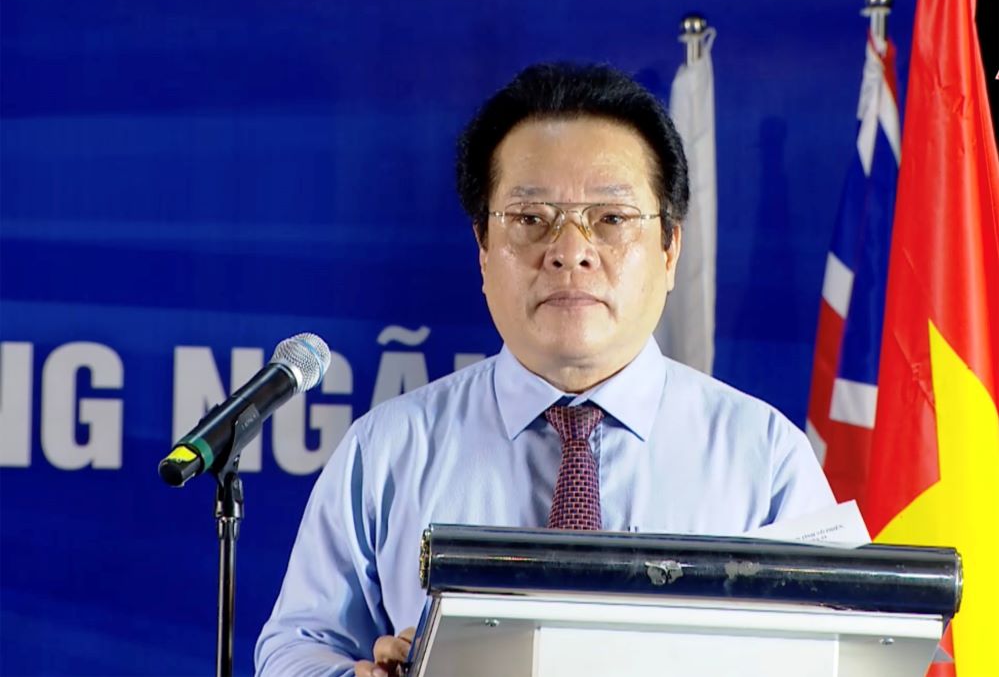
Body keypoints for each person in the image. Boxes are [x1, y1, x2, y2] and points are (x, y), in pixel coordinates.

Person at [254, 62, 834, 677]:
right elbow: (294, 648)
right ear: (483, 250)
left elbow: (836, 652)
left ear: (670, 250)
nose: (570, 252)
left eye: (611, 219)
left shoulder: (764, 458)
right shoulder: (388, 450)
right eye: (531, 219)